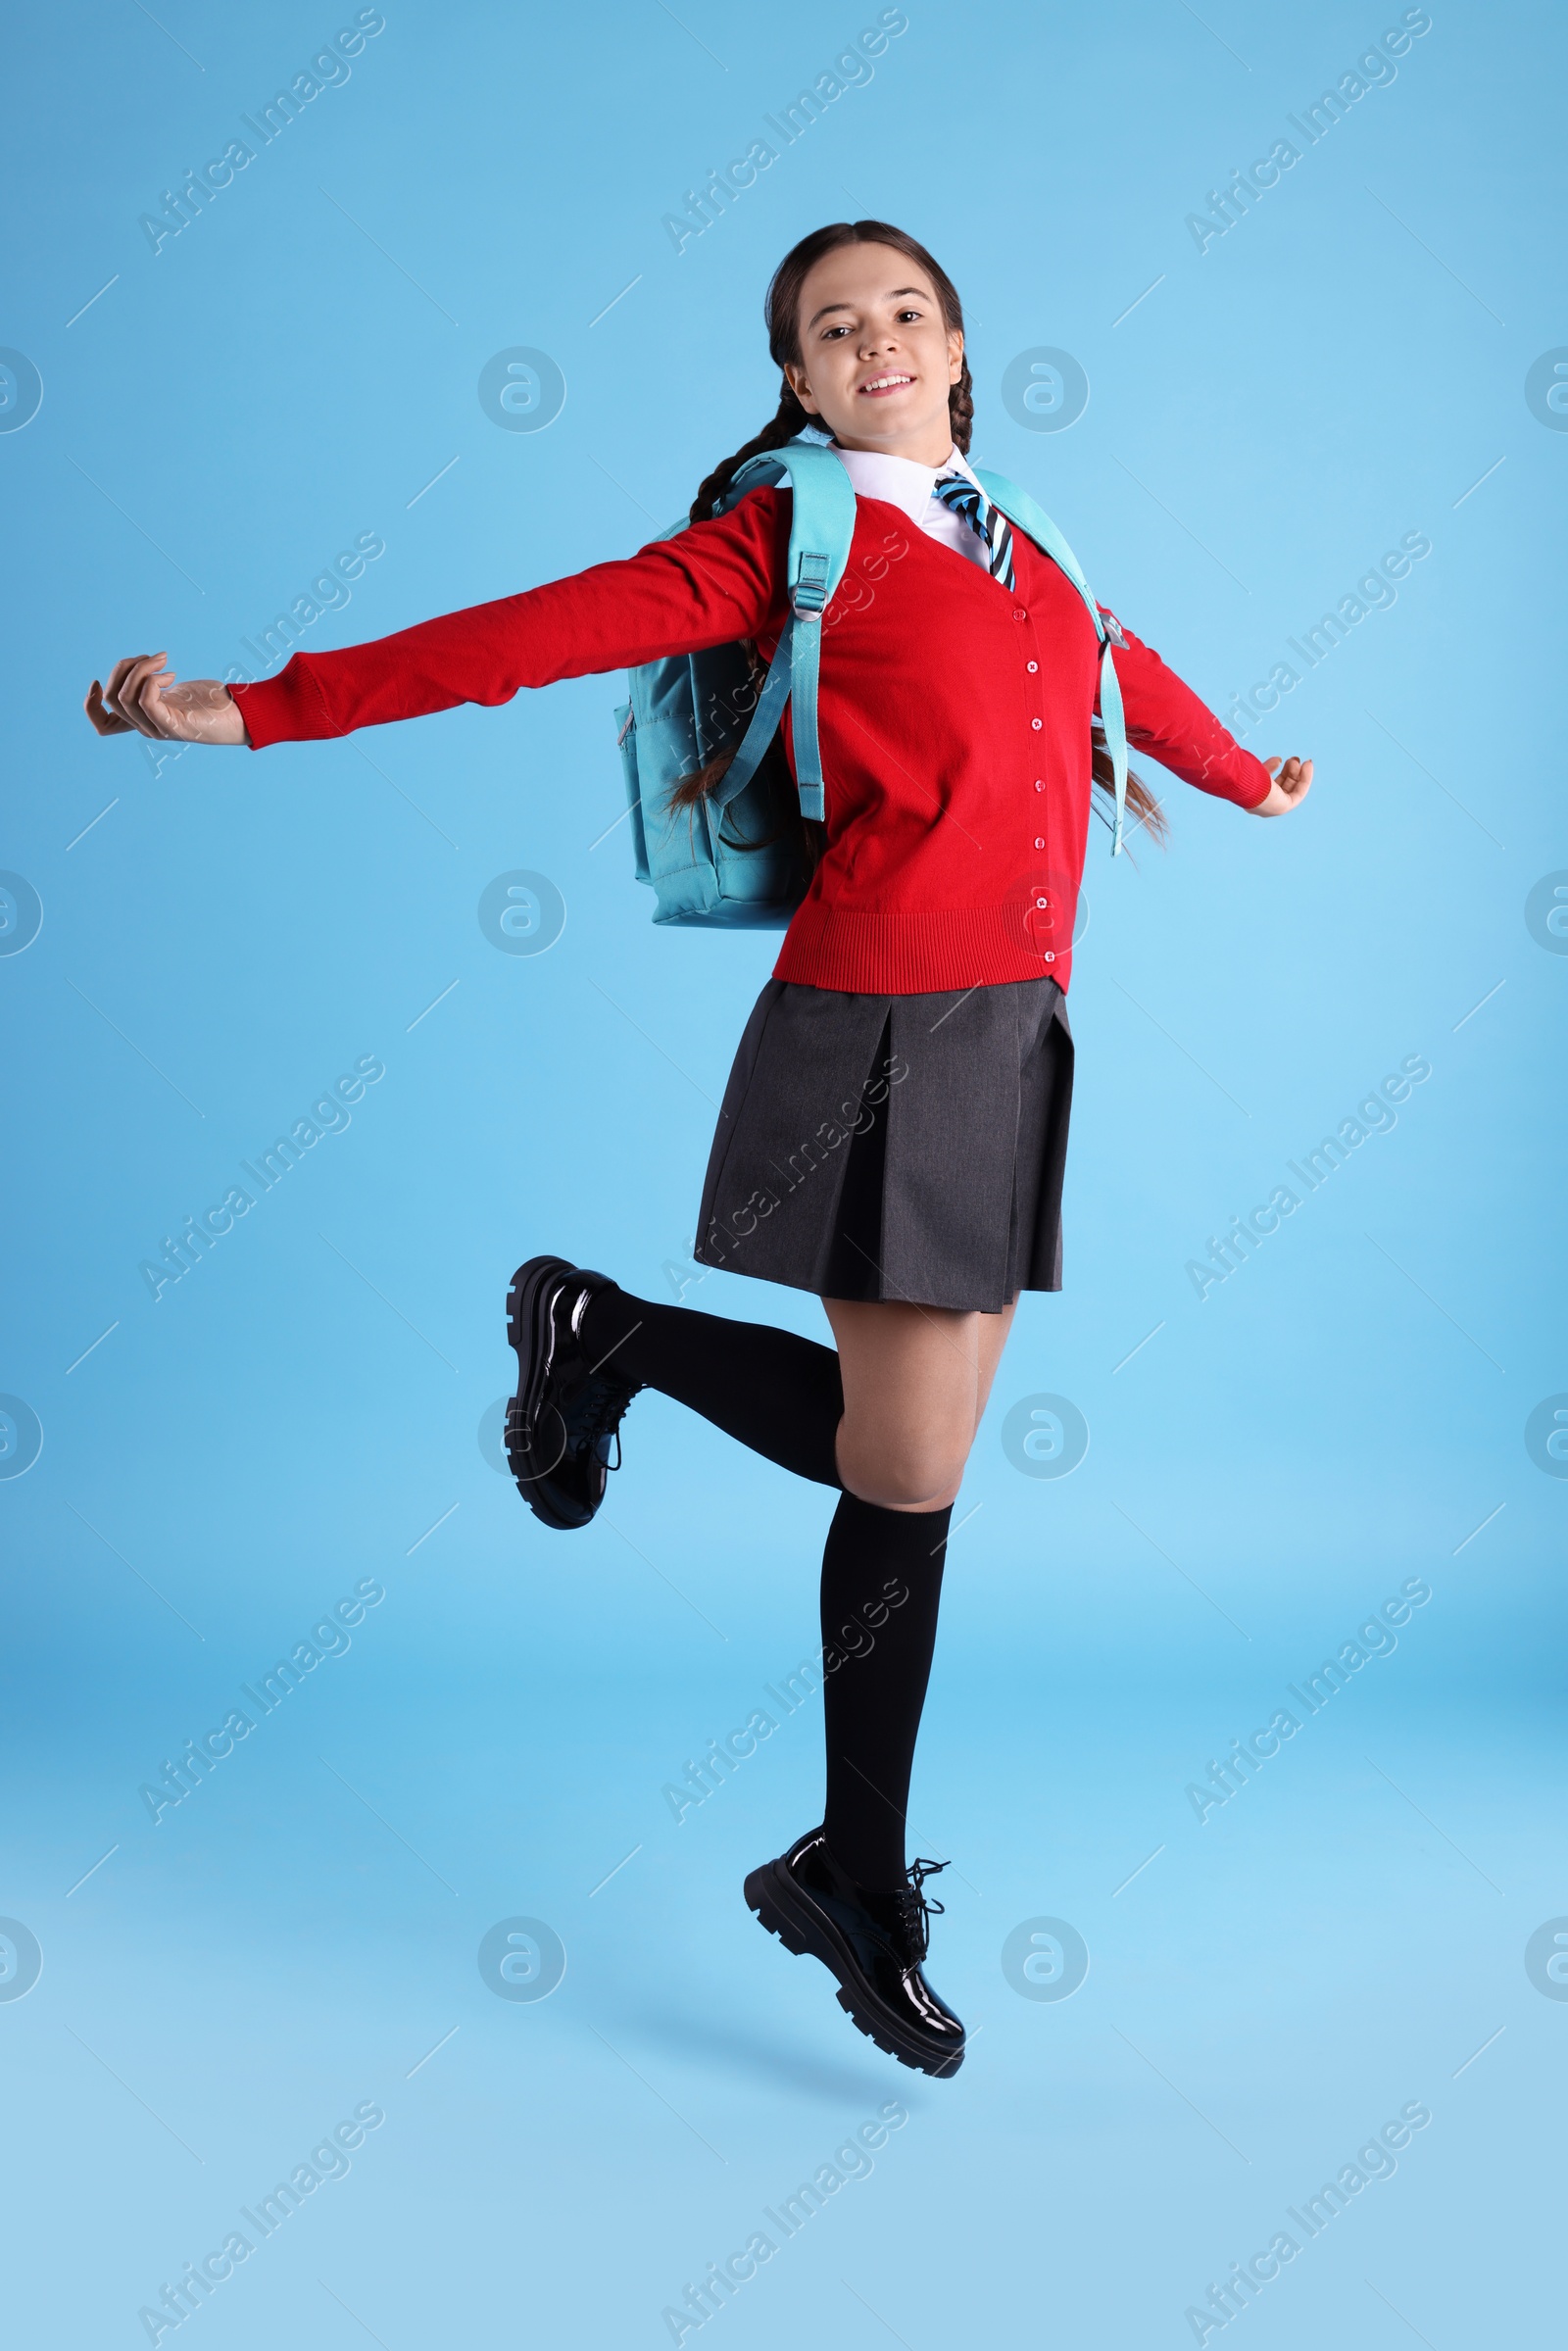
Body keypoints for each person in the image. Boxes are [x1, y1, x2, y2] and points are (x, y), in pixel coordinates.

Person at [85, 219, 1311, 2078]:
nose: (878, 340)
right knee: (900, 1475)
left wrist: (1245, 775)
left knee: (911, 1464)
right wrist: (257, 703)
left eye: (907, 310)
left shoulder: (1024, 533)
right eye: (837, 328)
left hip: (1010, 1029)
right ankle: (856, 1874)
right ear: (800, 381)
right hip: (876, 1030)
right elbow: (538, 632)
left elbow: (1116, 666)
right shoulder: (789, 537)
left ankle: (607, 1343)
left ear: (963, 344)